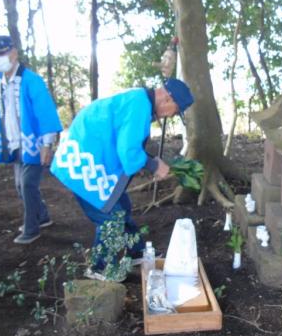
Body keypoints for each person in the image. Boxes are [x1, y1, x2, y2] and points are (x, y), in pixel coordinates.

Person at [50, 78, 194, 271]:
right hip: (84, 161)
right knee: (111, 218)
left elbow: (127, 142)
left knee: (122, 206)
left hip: (89, 155)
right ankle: (100, 268)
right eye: (175, 111)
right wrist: (153, 165)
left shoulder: (139, 100)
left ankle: (137, 253)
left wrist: (152, 161)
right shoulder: (140, 106)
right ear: (168, 99)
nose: (171, 115)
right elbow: (128, 152)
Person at [0, 35, 63, 244]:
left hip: (33, 143)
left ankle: (31, 228)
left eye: (1, 53)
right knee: (20, 185)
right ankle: (42, 216)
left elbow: (44, 112)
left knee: (27, 184)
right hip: (11, 142)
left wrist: (47, 144)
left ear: (14, 52)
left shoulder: (31, 81)